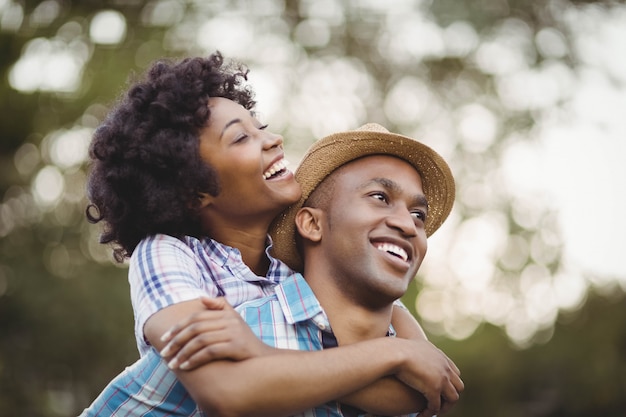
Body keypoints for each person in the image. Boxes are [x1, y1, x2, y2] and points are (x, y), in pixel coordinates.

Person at [81, 52, 461, 416]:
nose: (273, 138)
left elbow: (419, 388)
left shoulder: (297, 274)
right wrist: (393, 354)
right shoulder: (168, 253)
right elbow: (224, 387)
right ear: (193, 189)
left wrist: (258, 352)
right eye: (241, 138)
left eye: (259, 127)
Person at [160, 122, 462, 417]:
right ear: (312, 224)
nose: (408, 225)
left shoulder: (419, 376)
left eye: (418, 214)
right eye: (380, 198)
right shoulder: (225, 336)